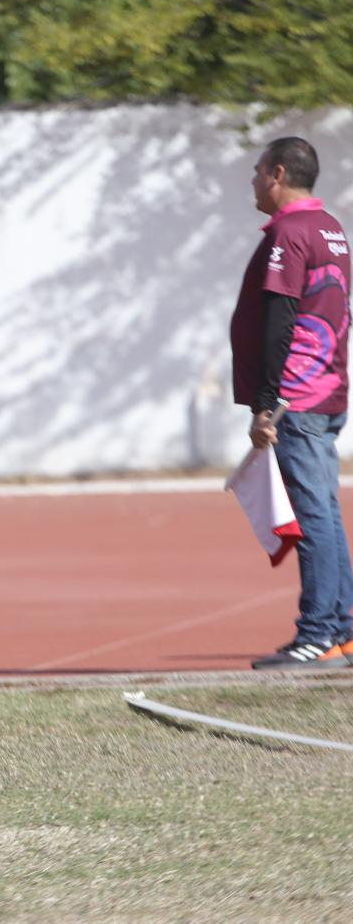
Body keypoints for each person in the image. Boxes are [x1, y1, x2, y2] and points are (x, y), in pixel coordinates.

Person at [230, 136, 353, 669]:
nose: (253, 181)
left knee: (314, 515)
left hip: (296, 399)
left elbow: (281, 319)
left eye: (258, 172)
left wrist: (266, 403)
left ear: (278, 174)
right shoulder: (331, 229)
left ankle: (318, 633)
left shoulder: (290, 231)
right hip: (325, 390)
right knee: (324, 512)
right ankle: (343, 628)